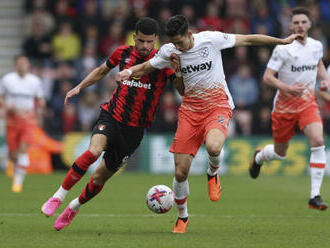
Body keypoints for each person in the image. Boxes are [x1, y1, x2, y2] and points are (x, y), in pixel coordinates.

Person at [115, 14, 301, 233]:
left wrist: (281, 41)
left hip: (218, 105)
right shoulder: (169, 51)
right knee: (180, 172)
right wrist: (128, 71)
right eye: (174, 43)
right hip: (190, 111)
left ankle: (213, 172)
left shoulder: (211, 39)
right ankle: (182, 217)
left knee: (213, 146)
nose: (178, 47)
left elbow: (248, 39)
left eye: (180, 42)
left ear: (190, 35)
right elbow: (148, 66)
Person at [41, 17, 183, 230]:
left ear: (156, 40)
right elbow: (101, 71)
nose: (145, 46)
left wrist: (179, 70)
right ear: (134, 38)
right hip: (112, 116)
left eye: (149, 42)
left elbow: (181, 90)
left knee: (99, 178)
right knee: (93, 152)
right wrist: (79, 87)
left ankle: (74, 206)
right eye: (141, 41)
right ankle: (57, 196)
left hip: (134, 131)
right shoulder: (122, 53)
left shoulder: (162, 62)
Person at [249, 7, 329, 210]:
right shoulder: (283, 49)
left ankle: (314, 196)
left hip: (307, 103)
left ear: (310, 24)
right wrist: (287, 88)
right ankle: (259, 156)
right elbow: (267, 77)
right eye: (296, 23)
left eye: (304, 22)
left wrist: (324, 79)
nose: (300, 25)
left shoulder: (316, 45)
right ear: (290, 26)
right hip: (284, 107)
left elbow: (318, 63)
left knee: (318, 141)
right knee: (280, 153)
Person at [0, 55, 45, 193]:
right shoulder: (7, 79)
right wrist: (6, 107)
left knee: (23, 149)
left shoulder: (35, 81)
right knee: (13, 154)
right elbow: (1, 97)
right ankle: (15, 169)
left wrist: (40, 112)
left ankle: (18, 183)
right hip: (12, 119)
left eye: (24, 63)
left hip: (28, 119)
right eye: (19, 63)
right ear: (15, 65)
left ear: (28, 65)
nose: (22, 65)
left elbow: (40, 99)